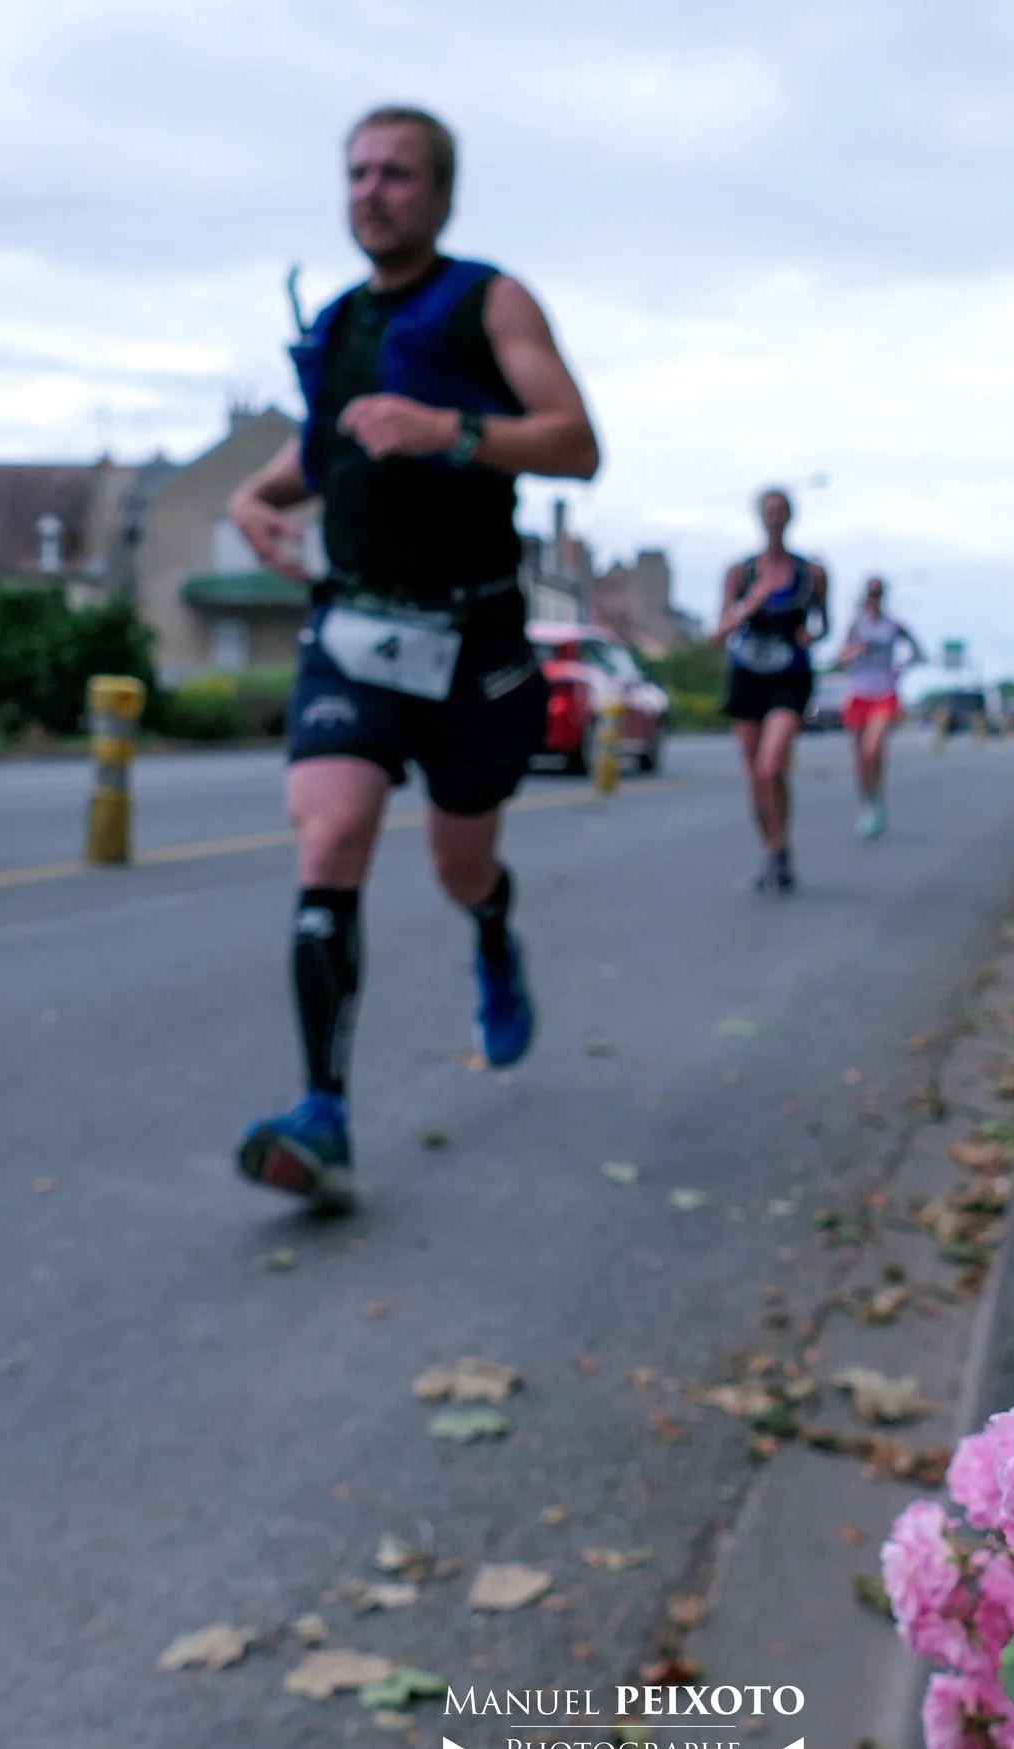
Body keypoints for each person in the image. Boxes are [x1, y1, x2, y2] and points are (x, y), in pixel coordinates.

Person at [225, 104, 600, 1206]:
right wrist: (254, 495)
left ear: (440, 194)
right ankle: (322, 1116)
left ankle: (492, 929)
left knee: (456, 866)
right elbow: (327, 445)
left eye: (395, 174)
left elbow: (578, 443)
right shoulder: (337, 322)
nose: (371, 191)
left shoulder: (489, 299)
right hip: (353, 626)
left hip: (472, 635)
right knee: (332, 830)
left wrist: (454, 431)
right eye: (356, 174)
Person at [713, 489, 828, 892]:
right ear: (759, 518)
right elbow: (718, 633)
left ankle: (780, 847)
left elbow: (822, 625)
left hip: (789, 678)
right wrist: (749, 604)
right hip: (747, 677)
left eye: (780, 511)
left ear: (790, 517)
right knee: (755, 779)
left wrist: (811, 635)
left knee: (770, 765)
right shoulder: (740, 573)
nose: (774, 518)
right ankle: (773, 850)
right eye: (768, 511)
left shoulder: (810, 573)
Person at [833, 576, 924, 838]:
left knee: (872, 750)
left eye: (878, 592)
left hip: (883, 693)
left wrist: (900, 669)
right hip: (858, 692)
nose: (874, 597)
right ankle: (870, 802)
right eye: (871, 592)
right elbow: (839, 657)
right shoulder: (856, 625)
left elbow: (918, 652)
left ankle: (875, 805)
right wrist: (852, 653)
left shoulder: (893, 626)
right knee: (861, 758)